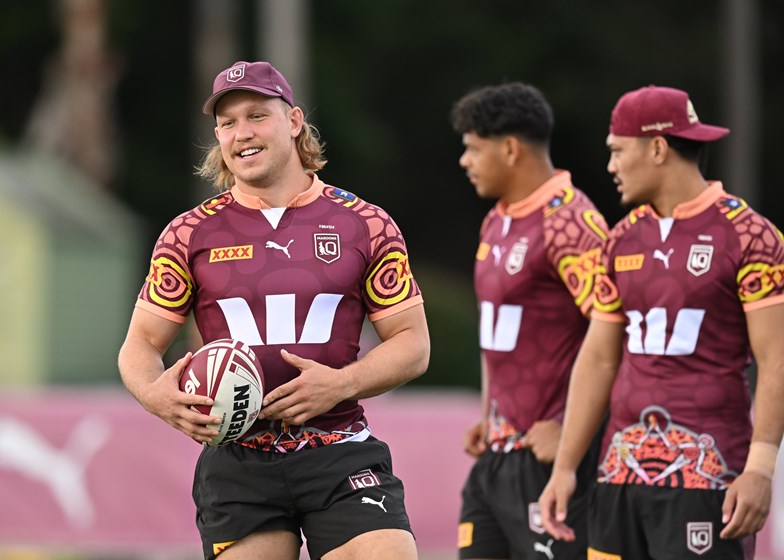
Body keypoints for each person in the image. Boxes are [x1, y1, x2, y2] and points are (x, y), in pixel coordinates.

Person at [117, 60, 430, 560]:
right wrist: (158, 397)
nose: (242, 133)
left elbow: (413, 345)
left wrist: (343, 383)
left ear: (294, 121)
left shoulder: (366, 223)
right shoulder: (188, 233)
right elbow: (140, 345)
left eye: (257, 115)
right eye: (227, 122)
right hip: (237, 458)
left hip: (340, 447)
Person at [539, 85, 784, 559]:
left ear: (656, 147)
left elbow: (776, 358)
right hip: (618, 470)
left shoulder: (750, 235)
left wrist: (760, 467)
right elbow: (599, 358)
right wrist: (566, 467)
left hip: (709, 473)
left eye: (616, 151)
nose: (609, 166)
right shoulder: (620, 238)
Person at [450, 82, 609, 560]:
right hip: (495, 457)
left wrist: (571, 429)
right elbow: (498, 329)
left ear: (511, 148)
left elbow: (617, 340)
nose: (464, 160)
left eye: (473, 148)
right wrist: (487, 412)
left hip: (552, 461)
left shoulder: (572, 224)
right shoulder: (495, 220)